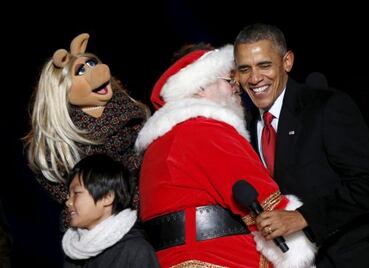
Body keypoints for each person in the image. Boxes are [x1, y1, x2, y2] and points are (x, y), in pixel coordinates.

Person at [234, 23, 369, 267]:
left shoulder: (326, 107)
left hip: (358, 258)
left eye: (264, 65)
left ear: (287, 62)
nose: (254, 78)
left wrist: (302, 218)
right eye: (244, 69)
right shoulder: (246, 127)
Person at [135, 44, 316, 267]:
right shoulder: (205, 128)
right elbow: (261, 196)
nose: (237, 87)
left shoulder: (162, 141)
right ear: (200, 87)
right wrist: (298, 243)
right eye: (229, 81)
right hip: (218, 258)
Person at [24, 33, 148, 226]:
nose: (95, 70)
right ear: (62, 88)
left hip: (158, 211)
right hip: (105, 234)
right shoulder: (57, 150)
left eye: (92, 64)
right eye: (81, 70)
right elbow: (75, 202)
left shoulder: (131, 114)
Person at [62, 153, 159, 267]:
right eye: (68, 195)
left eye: (77, 193)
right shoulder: (74, 255)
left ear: (107, 197)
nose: (68, 202)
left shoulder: (135, 251)